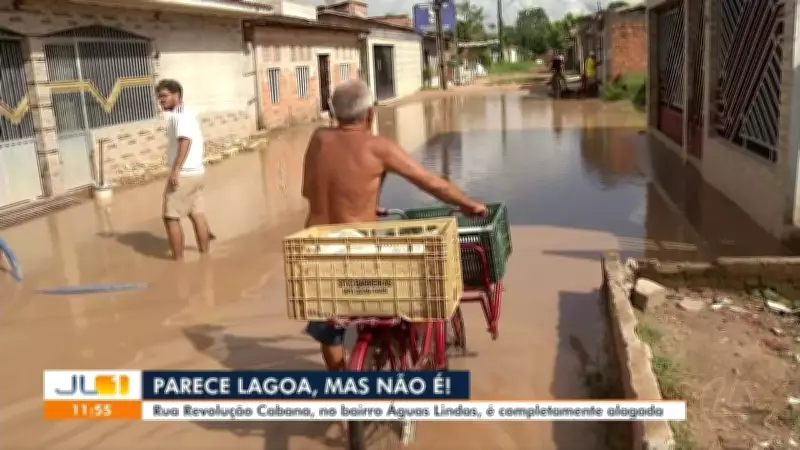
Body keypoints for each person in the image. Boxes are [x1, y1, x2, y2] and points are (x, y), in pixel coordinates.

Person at [302, 79, 487, 371]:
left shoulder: (317, 140)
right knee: (425, 287)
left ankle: (340, 383)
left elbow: (312, 191)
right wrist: (467, 203)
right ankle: (421, 357)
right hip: (359, 254)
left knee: (330, 322)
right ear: (370, 114)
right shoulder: (379, 147)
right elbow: (431, 182)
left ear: (333, 113)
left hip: (315, 252)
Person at [156, 79, 213, 260]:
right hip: (197, 172)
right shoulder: (187, 113)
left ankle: (178, 262)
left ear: (176, 95)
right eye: (159, 97)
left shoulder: (180, 116)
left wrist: (176, 170)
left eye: (164, 96)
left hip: (185, 174)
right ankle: (205, 256)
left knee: (170, 217)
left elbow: (185, 141)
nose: (161, 100)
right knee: (196, 212)